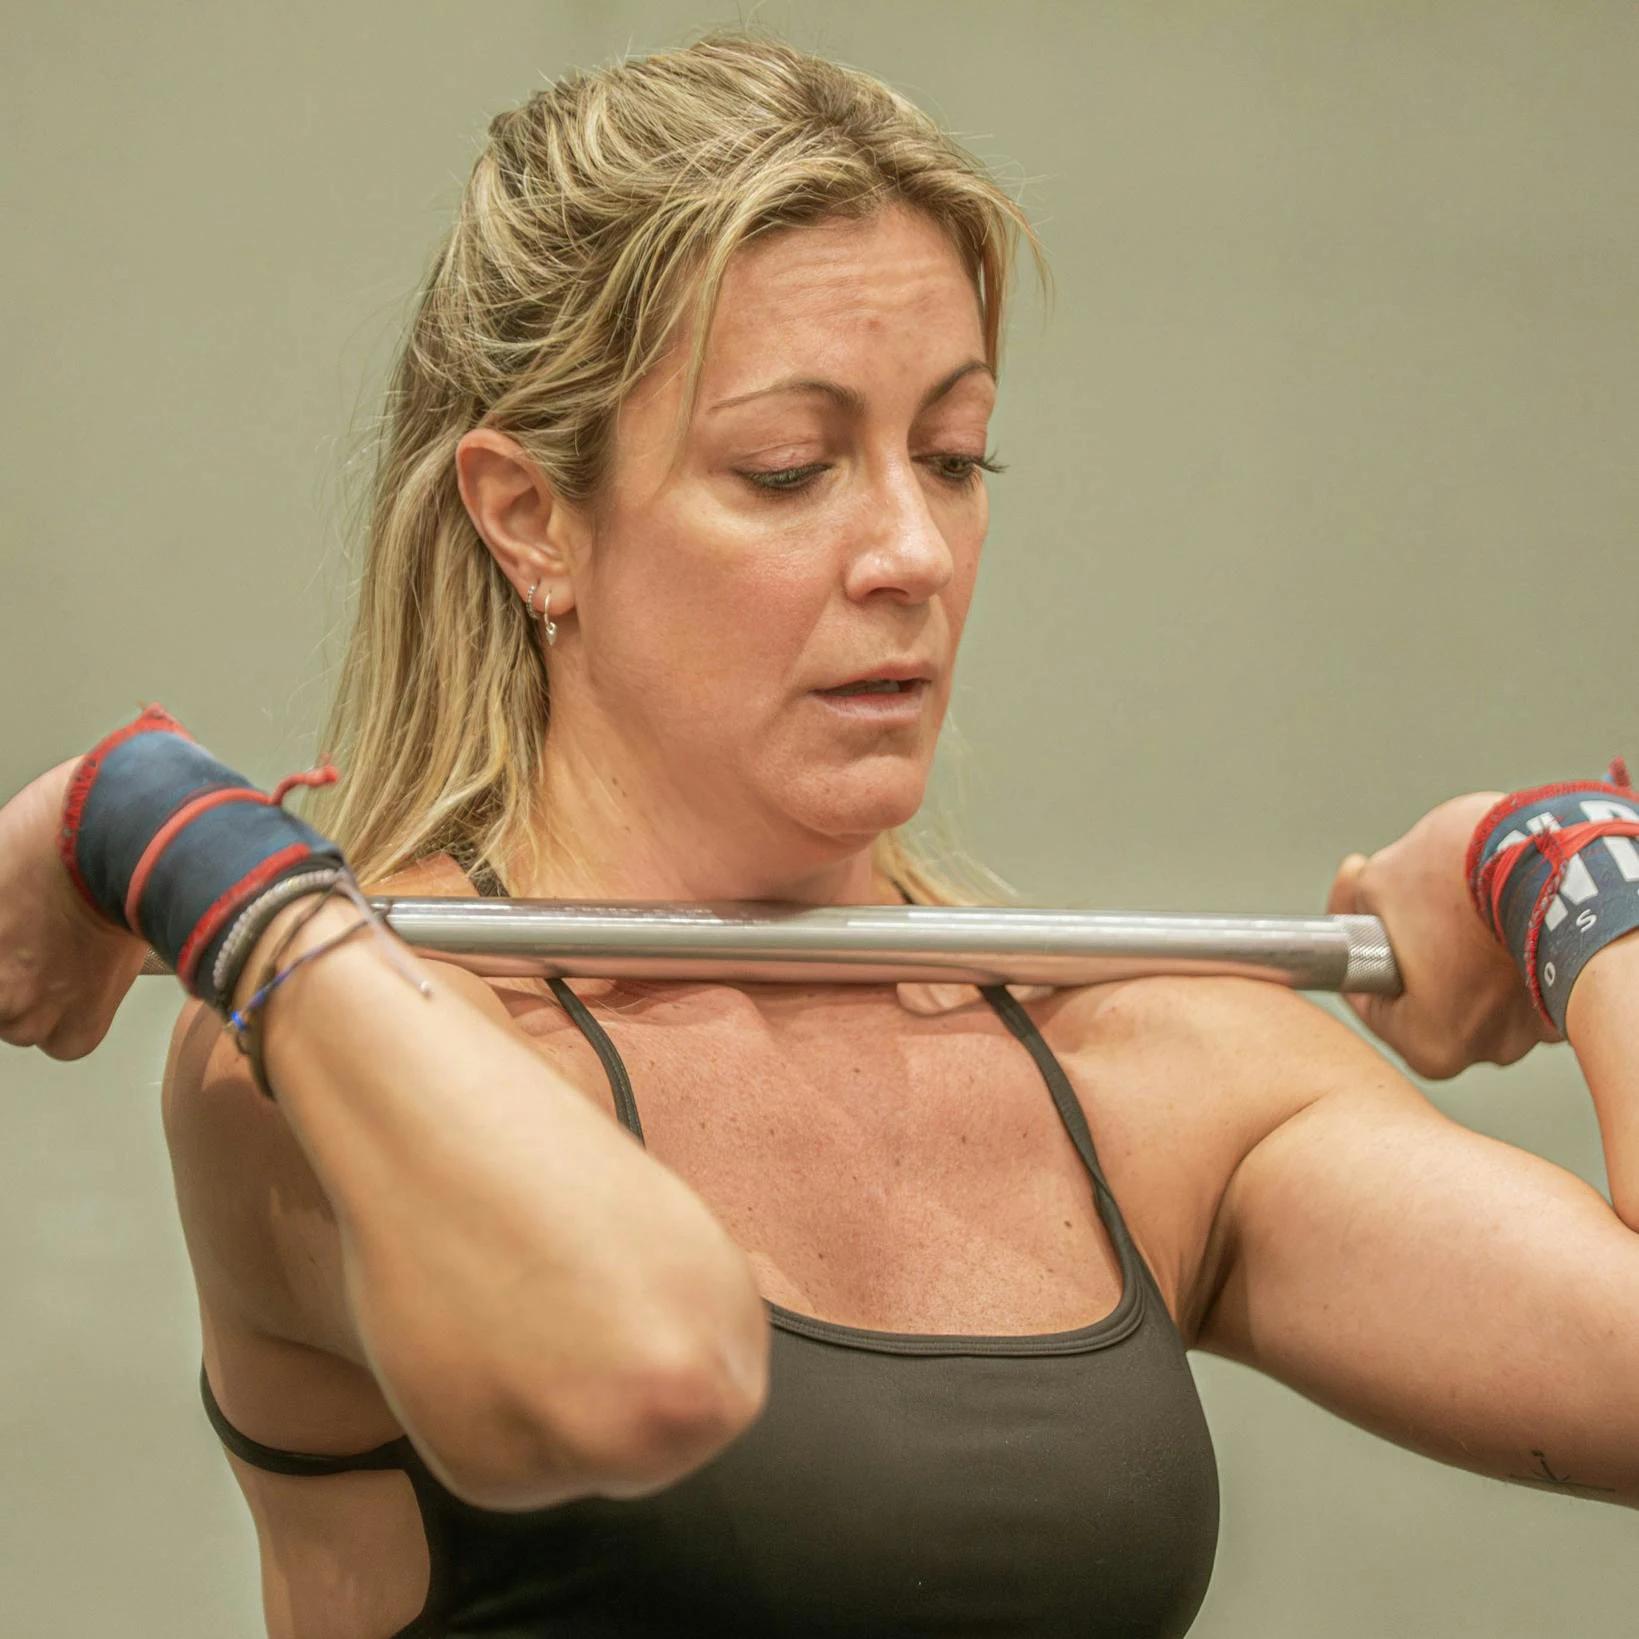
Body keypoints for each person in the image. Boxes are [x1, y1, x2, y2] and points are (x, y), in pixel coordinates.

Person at [4, 25, 1637, 1639]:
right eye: (789, 471)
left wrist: (1572, 875)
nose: (913, 550)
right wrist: (202, 859)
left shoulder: (1143, 1068)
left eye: (954, 455)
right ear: (532, 520)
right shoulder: (338, 1047)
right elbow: (639, 1370)